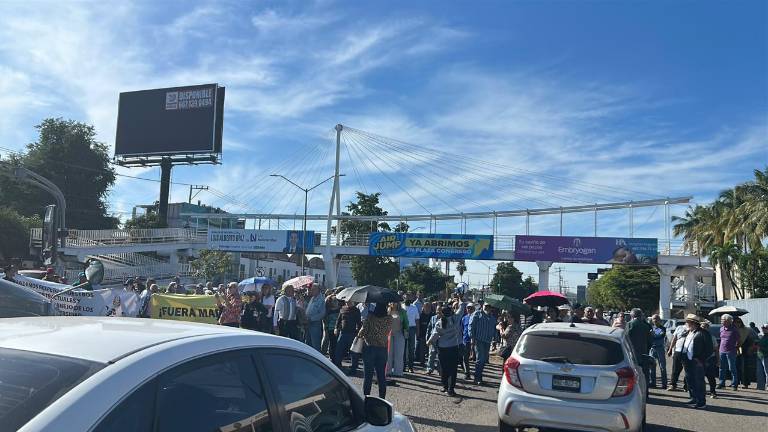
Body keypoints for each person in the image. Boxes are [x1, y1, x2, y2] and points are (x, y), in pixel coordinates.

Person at [358, 302, 392, 399]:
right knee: (381, 376)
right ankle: (382, 399)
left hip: (370, 347)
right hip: (382, 348)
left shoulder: (370, 317)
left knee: (368, 376)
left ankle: (366, 398)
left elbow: (362, 332)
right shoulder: (389, 319)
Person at [431, 303, 466, 396]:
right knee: (453, 369)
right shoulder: (456, 319)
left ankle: (445, 386)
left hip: (442, 349)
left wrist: (428, 342)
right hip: (454, 348)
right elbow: (462, 308)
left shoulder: (439, 323)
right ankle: (451, 389)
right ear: (451, 312)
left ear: (442, 313)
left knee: (443, 368)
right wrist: (460, 299)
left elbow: (434, 335)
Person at [680, 314, 713, 409]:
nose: (686, 324)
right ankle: (694, 398)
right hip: (687, 360)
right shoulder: (689, 332)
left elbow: (709, 349)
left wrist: (701, 359)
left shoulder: (703, 333)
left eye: (688, 322)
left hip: (697, 361)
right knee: (690, 380)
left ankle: (701, 402)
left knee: (699, 381)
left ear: (693, 323)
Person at [470, 303, 497, 385]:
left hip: (488, 341)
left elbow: (494, 329)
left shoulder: (492, 318)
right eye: (486, 306)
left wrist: (495, 340)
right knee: (480, 359)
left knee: (484, 360)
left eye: (489, 306)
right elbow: (471, 326)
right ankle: (477, 377)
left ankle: (479, 376)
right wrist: (472, 338)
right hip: (479, 340)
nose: (488, 308)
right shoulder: (477, 314)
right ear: (483, 306)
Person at [334, 300, 362, 374]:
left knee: (353, 352)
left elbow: (359, 323)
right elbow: (338, 320)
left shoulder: (356, 310)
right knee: (338, 350)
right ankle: (337, 365)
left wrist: (359, 333)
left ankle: (353, 368)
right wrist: (336, 328)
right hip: (343, 333)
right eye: (346, 301)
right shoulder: (342, 309)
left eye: (349, 301)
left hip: (352, 333)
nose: (347, 302)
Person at [626, 308, 652, 385]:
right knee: (644, 375)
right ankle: (645, 393)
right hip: (644, 354)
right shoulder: (646, 326)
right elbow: (650, 342)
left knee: (633, 375)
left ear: (632, 315)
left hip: (631, 354)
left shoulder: (629, 324)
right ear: (640, 316)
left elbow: (625, 339)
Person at [718, 314, 740, 390]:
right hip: (721, 351)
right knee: (721, 368)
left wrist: (736, 347)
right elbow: (721, 339)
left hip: (731, 351)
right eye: (721, 320)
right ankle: (721, 383)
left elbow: (738, 340)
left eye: (722, 320)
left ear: (728, 321)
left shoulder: (734, 330)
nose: (721, 321)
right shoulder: (721, 329)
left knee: (732, 368)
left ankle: (734, 384)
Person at [387, 302, 408, 377]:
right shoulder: (387, 311)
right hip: (389, 334)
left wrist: (406, 330)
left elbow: (406, 323)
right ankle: (388, 371)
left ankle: (398, 372)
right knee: (388, 353)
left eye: (395, 302)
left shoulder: (402, 312)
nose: (393, 304)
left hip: (399, 333)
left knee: (399, 353)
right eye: (392, 302)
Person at [667, 322, 689, 391]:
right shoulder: (679, 327)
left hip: (688, 353)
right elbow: (674, 338)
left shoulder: (693, 329)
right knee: (675, 369)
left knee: (687, 370)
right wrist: (670, 349)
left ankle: (687, 386)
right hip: (678, 351)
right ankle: (672, 384)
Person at [303, 284, 326, 352]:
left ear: (318, 290)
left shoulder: (321, 299)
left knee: (315, 345)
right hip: (308, 323)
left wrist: (311, 319)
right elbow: (309, 309)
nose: (311, 291)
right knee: (308, 343)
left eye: (313, 289)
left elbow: (322, 313)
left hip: (315, 324)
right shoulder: (313, 298)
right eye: (311, 289)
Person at [700, 322, 719, 398]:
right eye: (702, 327)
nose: (703, 328)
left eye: (705, 327)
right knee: (700, 377)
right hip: (700, 359)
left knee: (711, 377)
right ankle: (701, 391)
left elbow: (716, 350)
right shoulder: (697, 336)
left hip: (710, 359)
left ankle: (713, 392)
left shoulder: (712, 338)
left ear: (708, 329)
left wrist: (718, 360)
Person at [648, 314, 668, 389]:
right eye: (654, 319)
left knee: (662, 367)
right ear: (652, 320)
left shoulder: (663, 328)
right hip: (652, 349)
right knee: (651, 367)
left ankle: (664, 384)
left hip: (660, 349)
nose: (655, 320)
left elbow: (660, 336)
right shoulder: (651, 328)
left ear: (659, 320)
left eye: (657, 319)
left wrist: (652, 335)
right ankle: (652, 382)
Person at [460, 303, 476, 380]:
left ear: (474, 309)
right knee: (465, 357)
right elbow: (462, 329)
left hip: (475, 341)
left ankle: (477, 375)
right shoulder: (464, 318)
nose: (469, 309)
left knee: (475, 358)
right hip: (466, 340)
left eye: (471, 308)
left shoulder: (476, 317)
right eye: (468, 308)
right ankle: (467, 373)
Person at [404, 297, 419, 373]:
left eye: (408, 297)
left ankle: (410, 367)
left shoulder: (414, 307)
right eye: (406, 297)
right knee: (403, 348)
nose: (407, 299)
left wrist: (418, 331)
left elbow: (417, 319)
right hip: (403, 329)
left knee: (411, 348)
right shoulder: (402, 306)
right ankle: (403, 366)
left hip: (412, 328)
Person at [425, 306, 442, 375]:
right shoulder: (433, 318)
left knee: (440, 356)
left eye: (440, 310)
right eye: (437, 310)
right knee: (431, 355)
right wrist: (427, 337)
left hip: (441, 339)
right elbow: (429, 328)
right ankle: (429, 369)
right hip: (433, 339)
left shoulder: (444, 318)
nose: (438, 311)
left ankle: (440, 370)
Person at [416, 302, 433, 366]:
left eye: (428, 307)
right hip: (422, 335)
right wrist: (418, 334)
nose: (427, 308)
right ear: (423, 307)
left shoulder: (432, 315)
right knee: (422, 350)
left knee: (430, 350)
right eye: (426, 307)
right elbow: (418, 325)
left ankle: (430, 363)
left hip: (431, 335)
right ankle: (422, 362)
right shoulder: (420, 315)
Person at [756, 324, 768, 391]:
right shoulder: (762, 336)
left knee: (767, 372)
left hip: (766, 356)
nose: (763, 329)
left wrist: (761, 348)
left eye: (765, 328)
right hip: (759, 356)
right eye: (763, 328)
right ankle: (760, 386)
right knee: (759, 372)